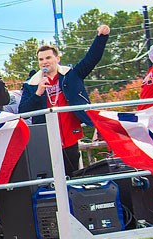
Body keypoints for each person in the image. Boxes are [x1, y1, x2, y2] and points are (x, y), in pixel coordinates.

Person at [19, 24, 111, 176]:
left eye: (48, 57)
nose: (44, 62)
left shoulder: (71, 74)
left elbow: (91, 59)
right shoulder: (31, 84)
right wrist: (38, 92)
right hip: (45, 140)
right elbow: (23, 112)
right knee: (51, 179)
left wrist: (101, 38)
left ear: (57, 58)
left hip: (69, 136)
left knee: (72, 176)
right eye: (41, 59)